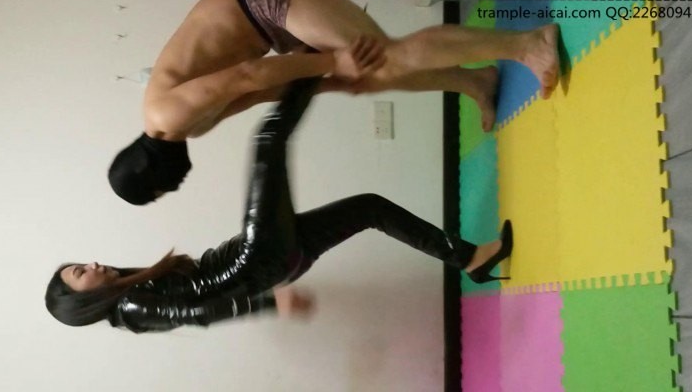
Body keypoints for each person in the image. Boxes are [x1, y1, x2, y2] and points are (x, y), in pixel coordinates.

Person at [49, 77, 513, 332]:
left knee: (369, 207)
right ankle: (316, 60)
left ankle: (470, 258)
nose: (91, 264)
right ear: (82, 301)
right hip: (257, 260)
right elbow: (197, 313)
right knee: (268, 140)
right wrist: (269, 304)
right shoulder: (131, 306)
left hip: (268, 260)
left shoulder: (133, 289)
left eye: (80, 264)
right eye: (80, 273)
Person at [108, 0, 560, 205]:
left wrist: (333, 61)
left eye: (161, 190)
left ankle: (527, 44)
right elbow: (258, 92)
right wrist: (332, 81)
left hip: (265, 0)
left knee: (383, 57)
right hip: (268, 28)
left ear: (147, 172)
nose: (174, 187)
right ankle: (476, 82)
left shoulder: (165, 115)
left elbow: (250, 74)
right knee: (373, 76)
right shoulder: (187, 128)